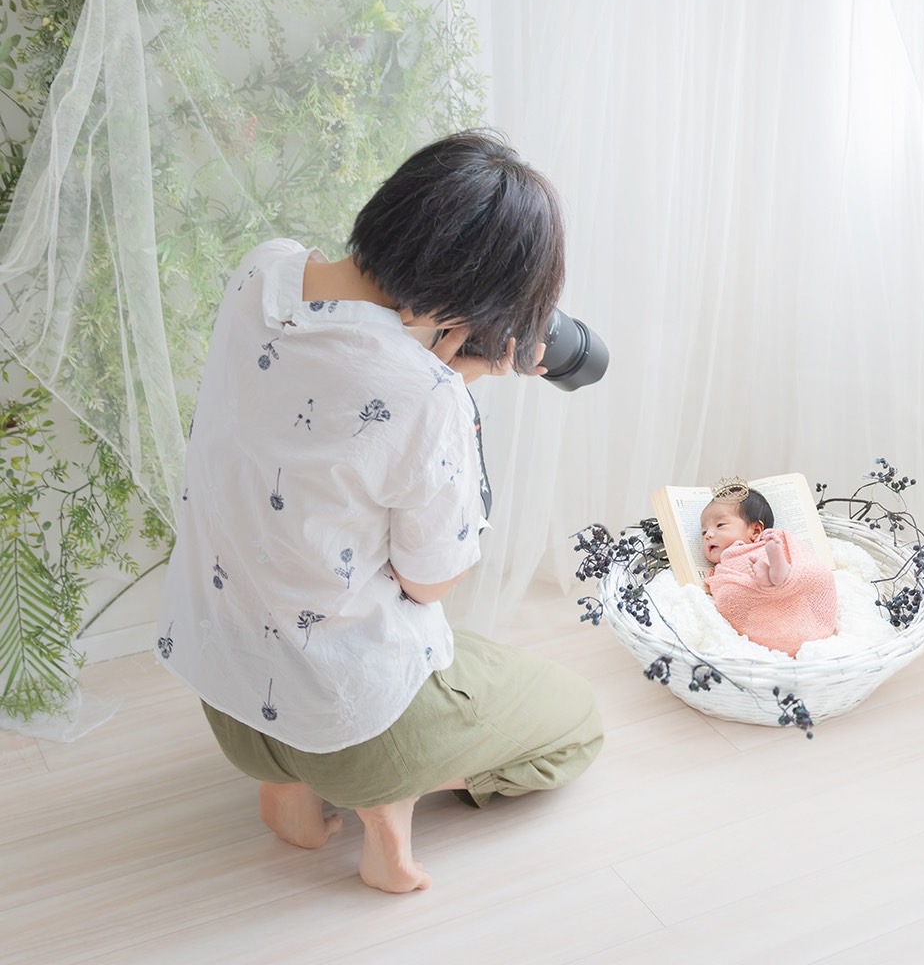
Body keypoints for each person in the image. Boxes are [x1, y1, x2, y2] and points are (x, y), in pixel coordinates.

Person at [155, 129, 603, 894]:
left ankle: (285, 789)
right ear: (472, 301)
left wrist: (432, 375)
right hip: (349, 727)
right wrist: (456, 390)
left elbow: (337, 382)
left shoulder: (262, 269)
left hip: (228, 692)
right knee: (577, 721)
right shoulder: (429, 396)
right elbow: (429, 583)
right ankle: (385, 809)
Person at [700, 477, 838, 657]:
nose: (708, 535)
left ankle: (781, 573)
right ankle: (772, 578)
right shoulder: (722, 568)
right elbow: (727, 596)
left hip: (792, 594)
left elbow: (805, 560)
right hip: (766, 613)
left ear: (755, 530)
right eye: (704, 532)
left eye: (720, 525)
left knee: (817, 574)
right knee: (729, 595)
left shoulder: (770, 542)